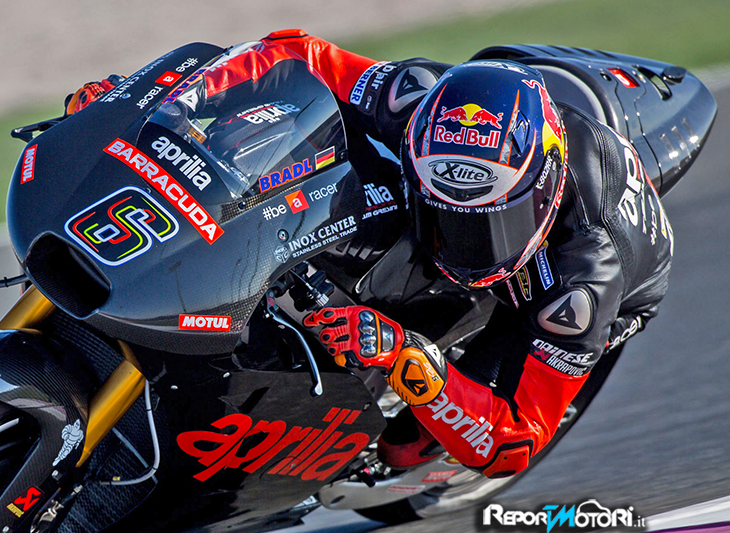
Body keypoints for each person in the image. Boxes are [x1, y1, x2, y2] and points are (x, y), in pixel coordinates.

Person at [66, 30, 673, 479]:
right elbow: (294, 54)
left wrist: (411, 359)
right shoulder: (416, 105)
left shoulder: (584, 279)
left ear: (542, 192)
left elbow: (514, 442)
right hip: (465, 163)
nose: (465, 243)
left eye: (490, 223)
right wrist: (163, 101)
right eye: (449, 214)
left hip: (563, 285)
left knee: (403, 449)